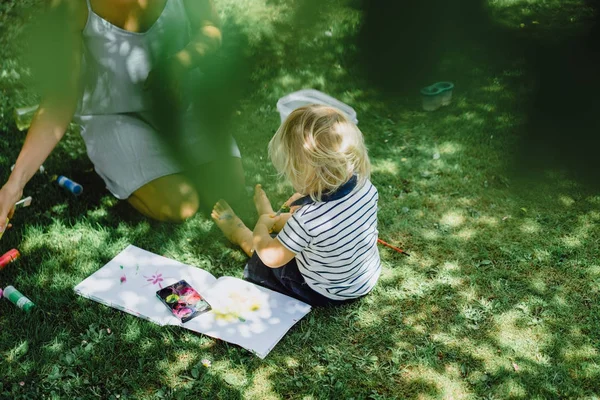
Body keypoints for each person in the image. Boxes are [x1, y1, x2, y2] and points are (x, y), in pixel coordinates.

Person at [0, 0, 243, 235]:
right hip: (114, 115)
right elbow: (61, 97)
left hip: (179, 102)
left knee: (229, 186)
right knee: (182, 204)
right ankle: (120, 161)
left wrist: (179, 64)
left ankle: (158, 164)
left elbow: (210, 27)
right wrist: (14, 185)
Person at [211, 105, 381, 307]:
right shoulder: (365, 186)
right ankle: (272, 217)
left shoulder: (307, 219)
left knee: (265, 256)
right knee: (299, 230)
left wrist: (261, 228)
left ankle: (240, 233)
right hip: (363, 279)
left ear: (305, 172)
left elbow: (271, 257)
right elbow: (328, 224)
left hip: (325, 291)